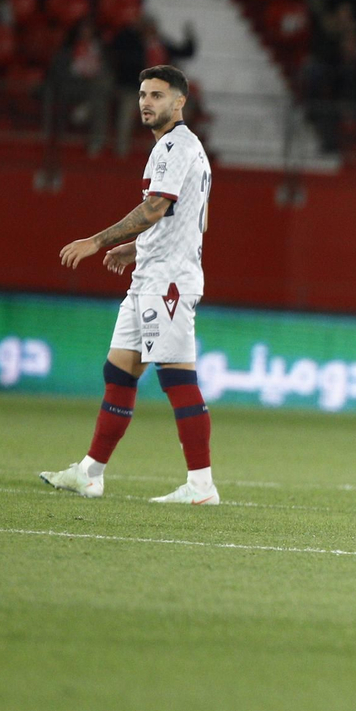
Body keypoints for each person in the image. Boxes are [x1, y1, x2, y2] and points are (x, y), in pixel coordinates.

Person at [39, 66, 220, 505]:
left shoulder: (176, 146)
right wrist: (137, 248)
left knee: (178, 378)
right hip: (150, 277)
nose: (146, 102)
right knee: (119, 372)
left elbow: (156, 207)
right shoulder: (176, 149)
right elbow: (192, 219)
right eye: (142, 94)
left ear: (179, 102)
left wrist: (98, 241)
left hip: (169, 283)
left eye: (157, 95)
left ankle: (201, 486)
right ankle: (90, 473)